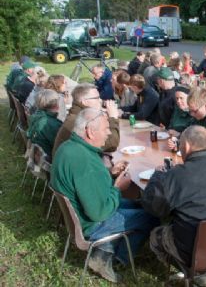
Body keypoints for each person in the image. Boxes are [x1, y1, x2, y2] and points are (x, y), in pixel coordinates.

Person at [51, 108, 158, 283]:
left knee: (141, 204)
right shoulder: (84, 161)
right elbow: (99, 213)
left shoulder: (70, 147)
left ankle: (106, 250)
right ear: (90, 132)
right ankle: (115, 258)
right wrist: (118, 188)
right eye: (106, 128)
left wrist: (109, 172)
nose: (109, 133)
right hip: (92, 224)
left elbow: (88, 184)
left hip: (83, 213)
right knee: (151, 215)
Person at [142, 125, 206, 271]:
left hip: (195, 252)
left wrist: (158, 175)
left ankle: (189, 271)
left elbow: (153, 207)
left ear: (186, 145)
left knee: (156, 235)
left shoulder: (177, 175)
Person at [52, 83, 120, 157]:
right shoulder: (78, 120)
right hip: (75, 166)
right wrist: (113, 117)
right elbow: (111, 145)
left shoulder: (78, 115)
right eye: (97, 98)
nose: (100, 101)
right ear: (85, 101)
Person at [27, 89, 63, 160]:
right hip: (47, 157)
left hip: (38, 153)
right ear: (56, 104)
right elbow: (60, 146)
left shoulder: (37, 115)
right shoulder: (51, 124)